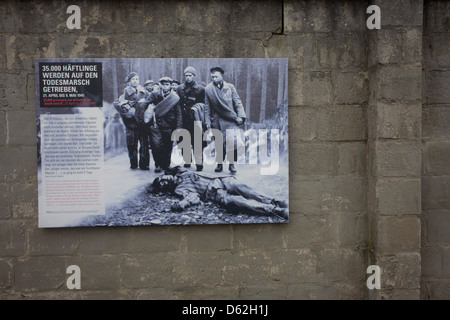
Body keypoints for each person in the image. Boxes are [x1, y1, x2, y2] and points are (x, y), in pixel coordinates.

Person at [148, 167, 288, 219]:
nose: (164, 182)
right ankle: (276, 210)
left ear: (165, 175)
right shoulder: (179, 190)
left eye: (162, 179)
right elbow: (194, 197)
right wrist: (183, 203)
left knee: (243, 187)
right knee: (235, 201)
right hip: (214, 194)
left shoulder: (183, 171)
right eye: (162, 185)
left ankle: (274, 200)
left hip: (221, 180)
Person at [204, 67, 246, 173]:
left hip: (230, 119)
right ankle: (219, 164)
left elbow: (237, 102)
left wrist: (241, 116)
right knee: (218, 144)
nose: (214, 79)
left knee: (231, 143)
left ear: (222, 76)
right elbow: (207, 107)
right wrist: (208, 121)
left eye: (216, 76)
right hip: (216, 120)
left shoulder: (230, 87)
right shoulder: (208, 89)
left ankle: (231, 164)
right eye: (212, 77)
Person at [143, 77, 182, 172]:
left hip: (169, 125)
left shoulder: (174, 97)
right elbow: (144, 105)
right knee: (156, 145)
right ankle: (158, 164)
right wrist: (146, 114)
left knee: (168, 145)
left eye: (167, 84)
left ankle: (166, 164)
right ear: (160, 85)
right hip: (156, 125)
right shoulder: (154, 95)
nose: (165, 86)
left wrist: (178, 127)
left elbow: (178, 113)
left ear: (170, 86)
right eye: (163, 84)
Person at [113, 72, 150, 170]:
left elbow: (150, 104)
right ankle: (133, 164)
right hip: (131, 123)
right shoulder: (125, 93)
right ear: (129, 82)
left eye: (137, 79)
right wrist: (126, 111)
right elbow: (117, 105)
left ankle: (144, 164)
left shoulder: (144, 92)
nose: (135, 81)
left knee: (144, 144)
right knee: (132, 144)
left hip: (142, 122)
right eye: (133, 79)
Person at [176, 66, 206, 171]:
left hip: (195, 119)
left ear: (194, 76)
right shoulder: (179, 89)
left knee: (197, 141)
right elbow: (177, 104)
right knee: (184, 140)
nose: (188, 77)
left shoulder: (201, 89)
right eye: (186, 75)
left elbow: (204, 105)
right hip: (183, 119)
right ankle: (187, 161)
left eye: (190, 75)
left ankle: (199, 163)